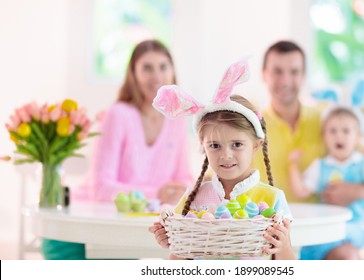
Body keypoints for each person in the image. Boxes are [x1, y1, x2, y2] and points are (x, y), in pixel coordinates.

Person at [42, 39, 193, 260]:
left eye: (163, 66)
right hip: (79, 230)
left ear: (173, 71)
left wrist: (184, 193)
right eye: (147, 68)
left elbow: (183, 179)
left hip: (133, 228)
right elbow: (101, 188)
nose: (157, 76)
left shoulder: (178, 120)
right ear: (133, 74)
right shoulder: (118, 114)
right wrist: (158, 193)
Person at [149, 59, 296, 260]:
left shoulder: (272, 199)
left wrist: (283, 245)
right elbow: (177, 264)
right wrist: (173, 241)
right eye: (215, 146)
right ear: (203, 145)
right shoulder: (193, 198)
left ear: (256, 144)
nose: (226, 155)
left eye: (237, 144)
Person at [253, 40, 364, 206]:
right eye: (277, 72)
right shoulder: (251, 125)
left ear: (304, 76)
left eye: (294, 72)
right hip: (267, 227)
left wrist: (359, 191)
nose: (285, 81)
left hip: (322, 225)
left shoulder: (329, 121)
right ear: (264, 74)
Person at [289, 107, 364, 259]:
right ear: (323, 136)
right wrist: (293, 166)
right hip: (329, 227)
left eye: (346, 131)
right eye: (332, 131)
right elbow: (300, 192)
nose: (339, 136)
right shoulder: (320, 166)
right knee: (313, 242)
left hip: (358, 226)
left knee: (323, 242)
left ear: (358, 137)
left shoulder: (363, 163)